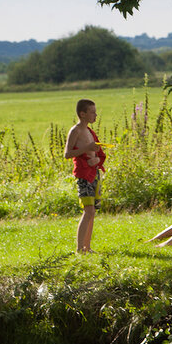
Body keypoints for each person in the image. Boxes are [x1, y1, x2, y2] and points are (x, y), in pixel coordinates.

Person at [63, 98, 107, 253]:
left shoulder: (90, 131)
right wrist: (87, 148)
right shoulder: (75, 131)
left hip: (94, 173)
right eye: (92, 112)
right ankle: (79, 248)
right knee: (88, 211)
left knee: (92, 212)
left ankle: (87, 248)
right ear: (82, 114)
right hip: (83, 175)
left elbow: (97, 152)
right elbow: (67, 154)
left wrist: (97, 159)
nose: (96, 115)